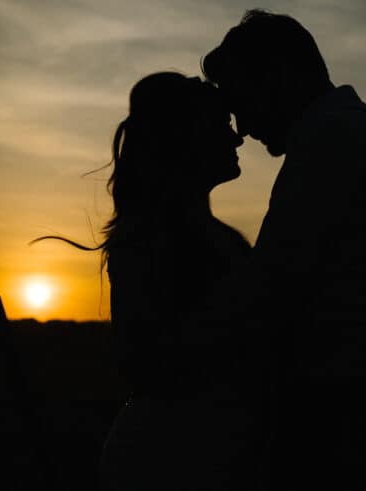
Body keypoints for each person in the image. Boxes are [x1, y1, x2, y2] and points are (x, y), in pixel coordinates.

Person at [198, 9, 366, 489]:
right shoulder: (356, 129)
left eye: (243, 101)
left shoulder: (331, 140)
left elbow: (271, 288)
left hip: (342, 417)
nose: (241, 127)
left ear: (278, 75)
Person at [32, 71, 270, 490]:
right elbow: (141, 361)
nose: (237, 139)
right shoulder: (148, 240)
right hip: (169, 457)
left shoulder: (217, 239)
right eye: (220, 125)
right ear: (184, 139)